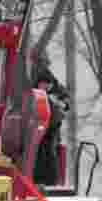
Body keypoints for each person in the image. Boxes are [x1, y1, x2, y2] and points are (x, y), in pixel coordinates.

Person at [31, 55, 70, 186]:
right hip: (37, 126)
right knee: (38, 152)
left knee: (48, 152)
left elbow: (64, 105)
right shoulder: (34, 82)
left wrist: (60, 104)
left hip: (51, 129)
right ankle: (38, 179)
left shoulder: (55, 89)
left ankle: (48, 181)